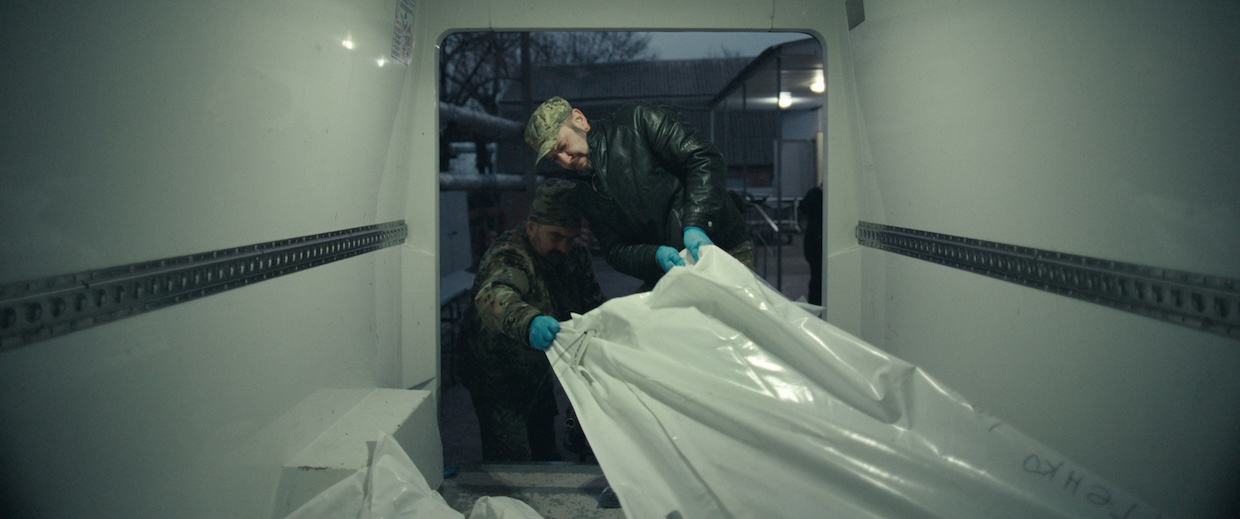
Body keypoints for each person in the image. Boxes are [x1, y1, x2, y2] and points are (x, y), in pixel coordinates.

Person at [525, 96, 754, 291]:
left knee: (741, 330)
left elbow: (703, 159)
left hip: (721, 249)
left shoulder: (637, 122)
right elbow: (615, 250)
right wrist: (654, 256)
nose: (565, 160)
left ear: (580, 120)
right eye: (555, 158)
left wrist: (697, 223)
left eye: (563, 145)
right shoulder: (584, 193)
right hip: (672, 272)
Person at [456, 179, 605, 462]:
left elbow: (593, 309)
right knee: (512, 456)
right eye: (555, 236)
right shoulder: (511, 253)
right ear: (531, 227)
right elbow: (495, 295)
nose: (563, 246)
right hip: (495, 371)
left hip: (536, 366)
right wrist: (529, 321)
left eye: (570, 238)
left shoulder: (573, 258)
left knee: (544, 445)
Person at [799, 183, 823, 305]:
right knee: (817, 278)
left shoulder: (814, 194)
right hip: (817, 243)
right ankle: (816, 303)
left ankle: (815, 303)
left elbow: (803, 208)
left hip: (813, 242)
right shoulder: (819, 195)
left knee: (816, 277)